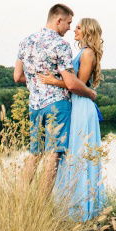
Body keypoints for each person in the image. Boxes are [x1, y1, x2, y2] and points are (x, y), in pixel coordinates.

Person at [13, 4, 97, 192]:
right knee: (53, 156)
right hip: (57, 106)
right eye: (68, 23)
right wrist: (91, 93)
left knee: (35, 154)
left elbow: (17, 76)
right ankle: (43, 207)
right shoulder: (61, 45)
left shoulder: (26, 42)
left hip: (34, 105)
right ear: (58, 20)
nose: (69, 28)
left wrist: (38, 81)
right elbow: (72, 83)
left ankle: (18, 200)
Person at [39, 17, 107, 220]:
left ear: (87, 31)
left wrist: (53, 81)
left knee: (79, 154)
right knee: (73, 154)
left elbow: (77, 84)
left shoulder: (87, 53)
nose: (74, 30)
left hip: (82, 106)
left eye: (78, 27)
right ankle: (72, 207)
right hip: (76, 104)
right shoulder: (83, 52)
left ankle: (82, 211)